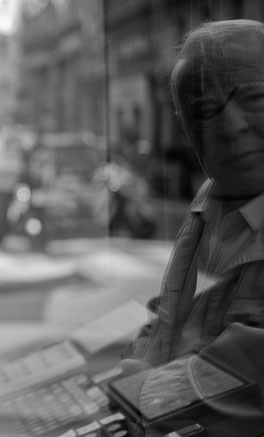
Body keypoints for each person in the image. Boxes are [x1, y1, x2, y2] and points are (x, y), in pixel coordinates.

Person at [120, 19, 264, 434]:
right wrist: (137, 368)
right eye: (205, 111)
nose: (231, 125)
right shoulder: (211, 199)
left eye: (254, 97)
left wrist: (148, 391)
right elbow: (172, 313)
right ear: (189, 132)